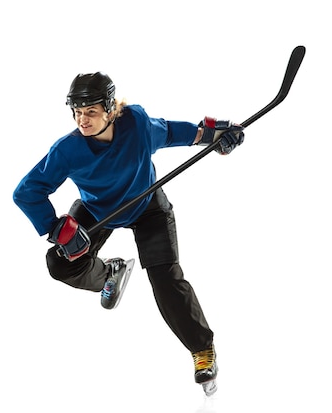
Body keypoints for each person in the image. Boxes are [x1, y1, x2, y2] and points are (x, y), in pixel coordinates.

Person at [13, 72, 244, 395]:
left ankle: (202, 350)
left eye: (91, 111)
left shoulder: (136, 124)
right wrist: (55, 228)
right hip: (98, 210)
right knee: (60, 264)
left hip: (146, 205)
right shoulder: (67, 150)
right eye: (77, 112)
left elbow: (172, 132)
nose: (83, 120)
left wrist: (213, 135)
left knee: (165, 280)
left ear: (110, 109)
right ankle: (110, 273)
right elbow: (27, 191)